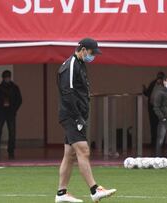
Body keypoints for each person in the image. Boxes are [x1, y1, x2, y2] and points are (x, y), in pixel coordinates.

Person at [56, 38, 116, 203]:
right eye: (91, 53)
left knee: (69, 155)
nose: (92, 56)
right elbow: (67, 93)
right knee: (84, 150)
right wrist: (77, 117)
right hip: (71, 116)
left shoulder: (80, 64)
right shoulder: (71, 65)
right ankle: (94, 189)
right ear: (82, 49)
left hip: (74, 115)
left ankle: (61, 194)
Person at [0, 70, 22, 159]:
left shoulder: (14, 88)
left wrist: (14, 109)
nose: (7, 78)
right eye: (6, 77)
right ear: (3, 78)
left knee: (12, 132)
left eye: (8, 77)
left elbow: (19, 100)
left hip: (10, 112)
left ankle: (11, 150)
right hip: (1, 112)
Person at [143, 72, 165, 148]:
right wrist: (145, 90)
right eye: (158, 77)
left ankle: (162, 143)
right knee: (153, 125)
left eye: (160, 78)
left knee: (162, 126)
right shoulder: (153, 83)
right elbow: (148, 93)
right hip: (152, 107)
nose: (159, 79)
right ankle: (153, 143)